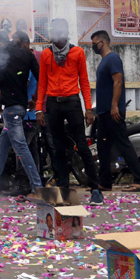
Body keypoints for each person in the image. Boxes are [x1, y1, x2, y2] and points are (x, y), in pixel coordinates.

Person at [35, 18, 103, 204]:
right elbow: (42, 83)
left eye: (58, 32)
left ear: (65, 33)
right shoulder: (46, 54)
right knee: (57, 149)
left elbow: (84, 82)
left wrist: (88, 109)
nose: (55, 35)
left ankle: (95, 189)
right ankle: (63, 190)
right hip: (53, 104)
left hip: (72, 102)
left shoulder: (77, 52)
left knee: (81, 145)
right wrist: (39, 109)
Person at [0, 30, 42, 196]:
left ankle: (37, 187)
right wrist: (35, 99)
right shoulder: (27, 54)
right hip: (20, 108)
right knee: (3, 145)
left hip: (11, 110)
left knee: (21, 147)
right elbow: (41, 78)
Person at [90, 30, 140, 190]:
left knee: (123, 144)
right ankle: (105, 182)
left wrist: (114, 105)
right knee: (103, 148)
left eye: (94, 44)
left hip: (112, 112)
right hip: (103, 113)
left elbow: (118, 82)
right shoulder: (104, 61)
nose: (93, 47)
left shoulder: (113, 58)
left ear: (102, 42)